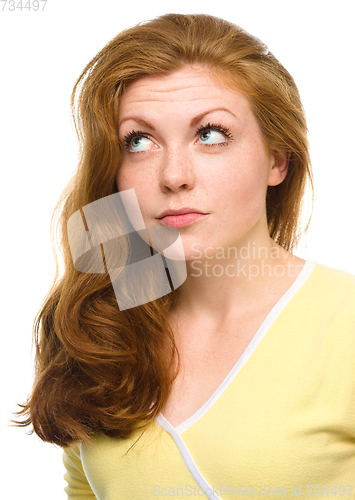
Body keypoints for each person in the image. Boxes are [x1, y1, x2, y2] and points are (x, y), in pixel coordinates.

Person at [14, 12, 355, 500]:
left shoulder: (346, 325)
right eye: (140, 141)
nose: (174, 175)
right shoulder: (101, 327)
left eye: (211, 135)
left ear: (277, 159)